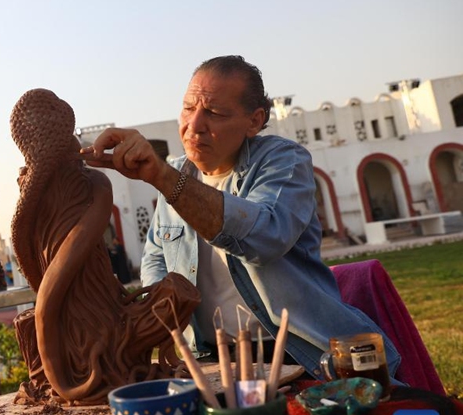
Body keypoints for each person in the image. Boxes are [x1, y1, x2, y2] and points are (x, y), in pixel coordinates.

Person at [81, 55, 401, 381]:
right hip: (214, 361)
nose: (194, 125)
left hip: (302, 355)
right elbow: (156, 260)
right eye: (189, 108)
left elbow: (264, 236)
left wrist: (163, 178)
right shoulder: (176, 174)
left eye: (215, 113)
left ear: (254, 121)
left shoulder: (283, 161)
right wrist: (155, 320)